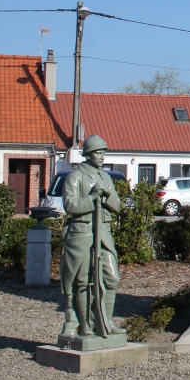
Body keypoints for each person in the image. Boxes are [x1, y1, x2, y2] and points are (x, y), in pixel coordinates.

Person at [59, 135, 126, 340]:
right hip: (82, 232)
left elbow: (118, 206)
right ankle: (85, 324)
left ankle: (106, 322)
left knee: (111, 277)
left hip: (103, 233)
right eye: (98, 152)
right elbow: (70, 205)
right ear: (88, 155)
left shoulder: (105, 177)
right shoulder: (75, 176)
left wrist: (107, 195)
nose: (102, 156)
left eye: (104, 152)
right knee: (82, 280)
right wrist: (91, 198)